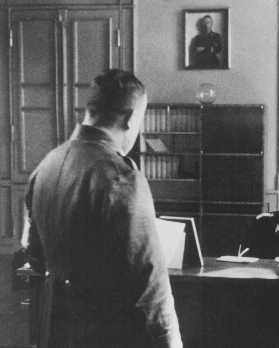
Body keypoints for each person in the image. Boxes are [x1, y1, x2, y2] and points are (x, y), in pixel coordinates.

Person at [24, 69, 182, 347]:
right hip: (107, 335)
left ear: (90, 110)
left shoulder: (45, 166)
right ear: (132, 118)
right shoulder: (121, 178)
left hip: (56, 332)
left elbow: (35, 257)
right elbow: (150, 287)